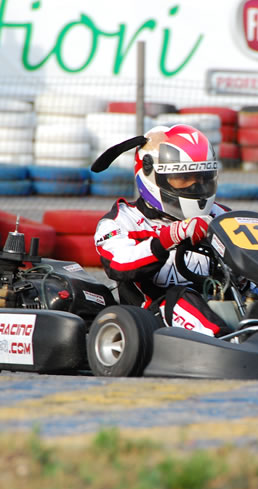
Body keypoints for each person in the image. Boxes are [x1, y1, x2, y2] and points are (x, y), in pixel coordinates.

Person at [92, 124, 233, 337]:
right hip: (153, 320)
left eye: (202, 178)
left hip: (218, 301)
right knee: (181, 297)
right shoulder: (121, 221)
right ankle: (227, 343)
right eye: (184, 179)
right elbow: (120, 264)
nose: (195, 187)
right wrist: (169, 238)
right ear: (151, 175)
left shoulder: (220, 215)